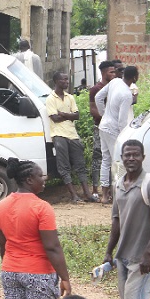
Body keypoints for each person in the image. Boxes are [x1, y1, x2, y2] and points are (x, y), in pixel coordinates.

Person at [0, 158, 71, 299]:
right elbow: (52, 247)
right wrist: (65, 278)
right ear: (29, 180)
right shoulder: (42, 207)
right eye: (40, 175)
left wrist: (12, 267)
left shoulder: (0, 206)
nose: (44, 179)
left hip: (10, 272)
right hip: (38, 273)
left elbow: (1, 243)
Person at [103, 140, 150, 299]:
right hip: (122, 254)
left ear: (143, 157)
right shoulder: (118, 185)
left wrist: (148, 253)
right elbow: (116, 221)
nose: (131, 158)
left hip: (141, 258)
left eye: (136, 155)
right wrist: (109, 251)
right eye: (127, 155)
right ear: (122, 158)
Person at [46, 72, 97, 203]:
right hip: (58, 135)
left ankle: (87, 193)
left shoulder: (70, 97)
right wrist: (69, 115)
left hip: (72, 134)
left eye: (67, 80)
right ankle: (74, 195)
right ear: (56, 81)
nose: (67, 82)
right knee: (64, 166)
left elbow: (77, 115)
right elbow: (55, 118)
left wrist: (63, 113)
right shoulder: (50, 99)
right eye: (64, 80)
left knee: (80, 164)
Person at [95, 66, 139, 204]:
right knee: (118, 162)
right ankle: (116, 194)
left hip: (103, 126)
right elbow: (122, 121)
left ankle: (104, 196)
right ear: (135, 78)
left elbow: (98, 97)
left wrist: (104, 115)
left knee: (106, 160)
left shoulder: (114, 82)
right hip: (114, 130)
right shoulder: (127, 95)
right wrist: (124, 137)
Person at [88, 61, 116, 198]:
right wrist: (108, 118)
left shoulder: (115, 87)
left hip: (113, 128)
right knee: (98, 157)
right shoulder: (96, 89)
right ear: (104, 73)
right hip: (100, 127)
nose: (114, 74)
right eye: (111, 72)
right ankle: (95, 188)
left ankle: (110, 187)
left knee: (112, 158)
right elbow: (93, 109)